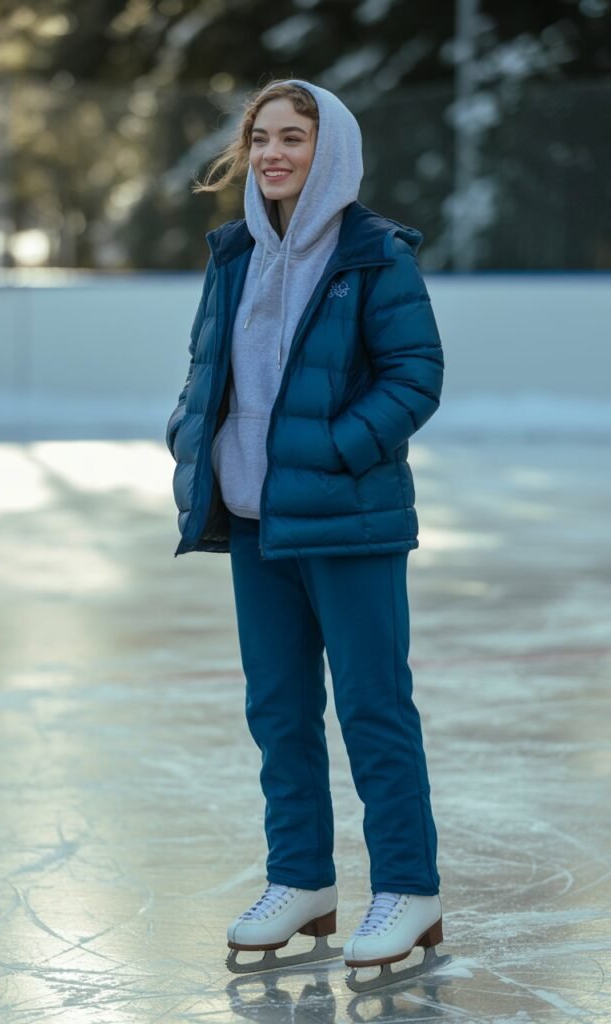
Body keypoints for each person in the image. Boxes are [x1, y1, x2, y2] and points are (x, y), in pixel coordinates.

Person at [165, 77, 445, 990]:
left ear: (335, 150)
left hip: (351, 524)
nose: (275, 153)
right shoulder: (235, 252)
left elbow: (415, 376)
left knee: (373, 708)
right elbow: (210, 365)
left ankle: (408, 888)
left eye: (296, 136)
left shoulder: (374, 254)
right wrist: (187, 430)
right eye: (263, 137)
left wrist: (334, 448)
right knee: (279, 712)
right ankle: (301, 879)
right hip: (254, 520)